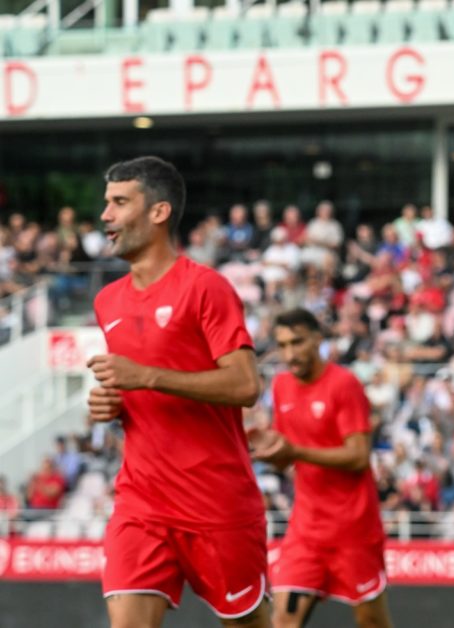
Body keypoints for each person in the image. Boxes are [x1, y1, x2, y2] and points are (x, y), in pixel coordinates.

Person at [86, 156, 269, 628]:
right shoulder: (107, 300)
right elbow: (137, 387)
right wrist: (112, 403)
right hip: (141, 502)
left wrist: (146, 376)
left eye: (119, 202)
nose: (105, 215)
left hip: (217, 502)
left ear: (158, 212)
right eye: (107, 202)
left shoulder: (206, 288)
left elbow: (246, 385)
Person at [248, 308, 393, 628]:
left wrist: (294, 451)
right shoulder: (281, 385)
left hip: (353, 527)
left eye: (297, 342)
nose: (289, 353)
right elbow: (288, 454)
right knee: (283, 620)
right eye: (282, 345)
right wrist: (265, 449)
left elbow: (358, 456)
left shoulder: (344, 384)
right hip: (306, 528)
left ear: (317, 339)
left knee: (371, 622)